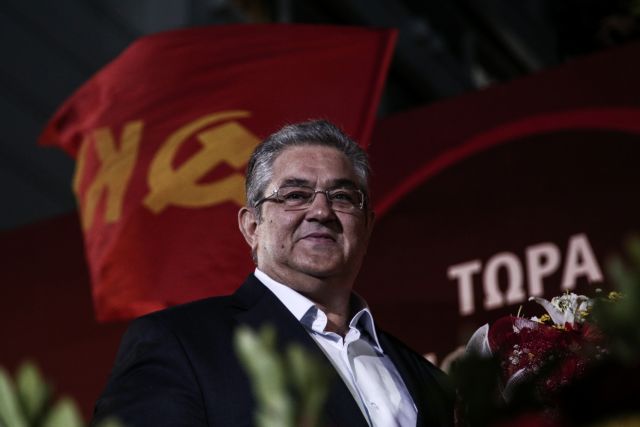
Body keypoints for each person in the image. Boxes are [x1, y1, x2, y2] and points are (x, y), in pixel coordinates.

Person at [92, 120, 454, 426]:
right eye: (295, 195)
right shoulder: (181, 343)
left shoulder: (428, 380)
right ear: (252, 226)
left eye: (342, 197)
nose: (321, 211)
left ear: (367, 226)